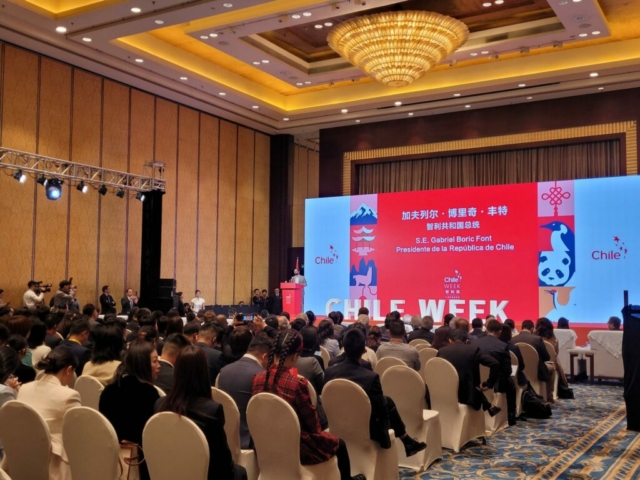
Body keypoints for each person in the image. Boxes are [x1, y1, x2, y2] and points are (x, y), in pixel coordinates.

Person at [251, 330, 364, 480]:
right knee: (340, 444)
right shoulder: (297, 383)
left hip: (265, 443)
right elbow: (313, 426)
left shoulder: (257, 378)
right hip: (297, 447)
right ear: (295, 356)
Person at [324, 329, 427, 456]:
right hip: (365, 428)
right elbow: (381, 410)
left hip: (336, 422)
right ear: (364, 350)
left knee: (387, 401)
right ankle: (406, 440)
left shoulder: (329, 373)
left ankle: (407, 441)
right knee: (387, 403)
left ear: (343, 347)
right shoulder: (370, 377)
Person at [156, 346, 247, 479]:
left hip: (169, 472)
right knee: (241, 472)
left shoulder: (160, 405)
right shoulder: (212, 410)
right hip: (205, 473)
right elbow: (222, 462)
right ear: (204, 373)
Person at [99, 341, 161, 480]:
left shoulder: (109, 390)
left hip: (111, 460)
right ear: (142, 364)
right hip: (141, 462)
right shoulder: (150, 394)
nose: (159, 365)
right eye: (155, 361)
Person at [18, 347, 81, 480]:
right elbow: (77, 433)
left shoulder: (24, 388)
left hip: (21, 454)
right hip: (52, 462)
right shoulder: (69, 395)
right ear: (69, 370)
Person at [218, 333, 270, 449]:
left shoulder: (224, 371)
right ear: (264, 357)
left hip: (223, 436)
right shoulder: (261, 375)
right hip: (250, 440)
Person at [437, 329, 502, 414]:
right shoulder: (473, 350)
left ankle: (488, 405)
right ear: (466, 341)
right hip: (468, 395)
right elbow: (495, 363)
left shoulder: (442, 351)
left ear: (450, 340)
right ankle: (487, 405)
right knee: (472, 385)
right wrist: (489, 384)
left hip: (445, 392)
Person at [475, 319, 518, 425]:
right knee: (511, 384)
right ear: (499, 332)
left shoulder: (475, 343)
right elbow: (507, 371)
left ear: (486, 330)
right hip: (497, 383)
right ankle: (511, 415)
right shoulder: (503, 346)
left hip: (476, 381)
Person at [511, 319, 555, 403]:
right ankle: (549, 396)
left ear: (522, 327)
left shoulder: (513, 339)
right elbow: (547, 357)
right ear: (532, 329)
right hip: (536, 371)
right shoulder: (537, 339)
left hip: (518, 371)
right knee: (552, 368)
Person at [536, 317, 573, 399]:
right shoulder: (554, 341)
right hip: (551, 364)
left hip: (535, 363)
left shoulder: (534, 340)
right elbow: (555, 355)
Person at [296, 326, 325, 394]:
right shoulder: (315, 360)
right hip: (312, 395)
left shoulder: (293, 356)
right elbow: (322, 386)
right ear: (315, 340)